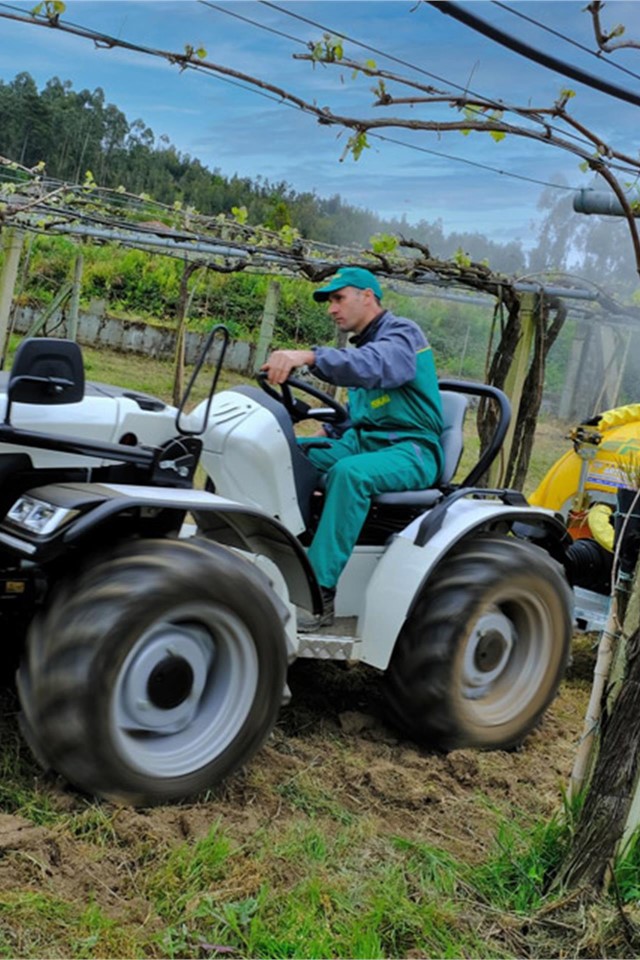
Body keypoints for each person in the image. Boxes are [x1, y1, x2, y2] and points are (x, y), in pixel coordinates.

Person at [262, 267, 443, 631]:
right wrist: (324, 430)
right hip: (363, 442)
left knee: (350, 474)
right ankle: (268, 556)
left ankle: (318, 595)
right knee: (282, 452)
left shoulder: (402, 336)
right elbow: (358, 416)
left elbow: (376, 367)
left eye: (338, 298)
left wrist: (309, 357)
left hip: (411, 449)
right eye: (329, 301)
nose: (331, 308)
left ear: (367, 296)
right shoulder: (362, 348)